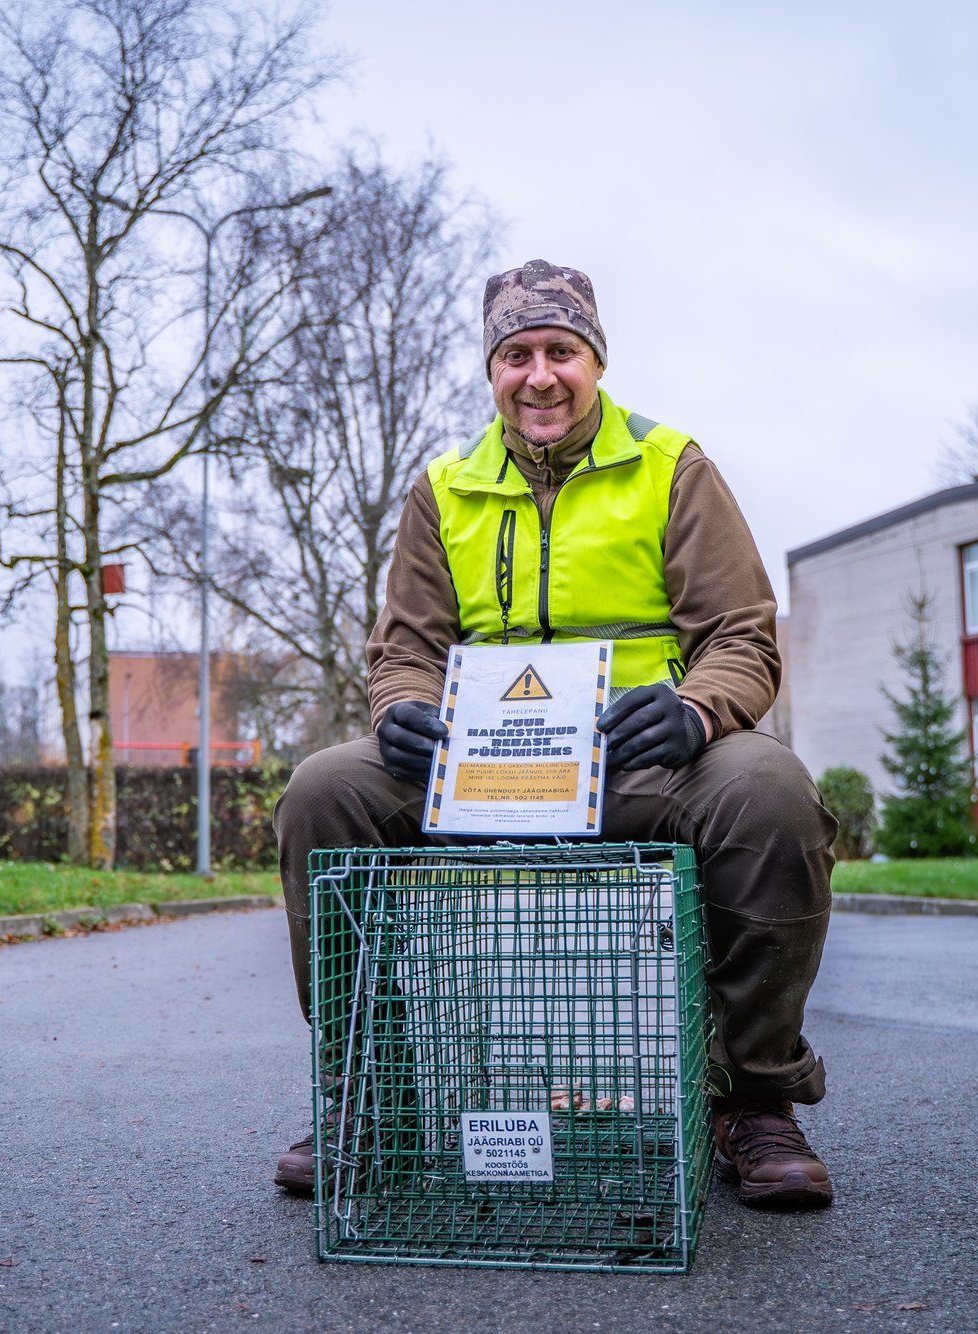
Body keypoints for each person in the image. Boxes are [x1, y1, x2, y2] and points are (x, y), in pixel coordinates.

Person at [271, 259, 838, 1210]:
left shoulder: (672, 466)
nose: (540, 376)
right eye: (518, 354)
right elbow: (404, 651)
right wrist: (401, 710)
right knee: (324, 788)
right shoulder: (444, 488)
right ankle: (371, 1091)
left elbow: (742, 636)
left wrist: (695, 711)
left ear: (596, 362)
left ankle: (755, 1099)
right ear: (492, 370)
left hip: (639, 762)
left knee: (770, 792)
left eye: (561, 353)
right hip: (479, 768)